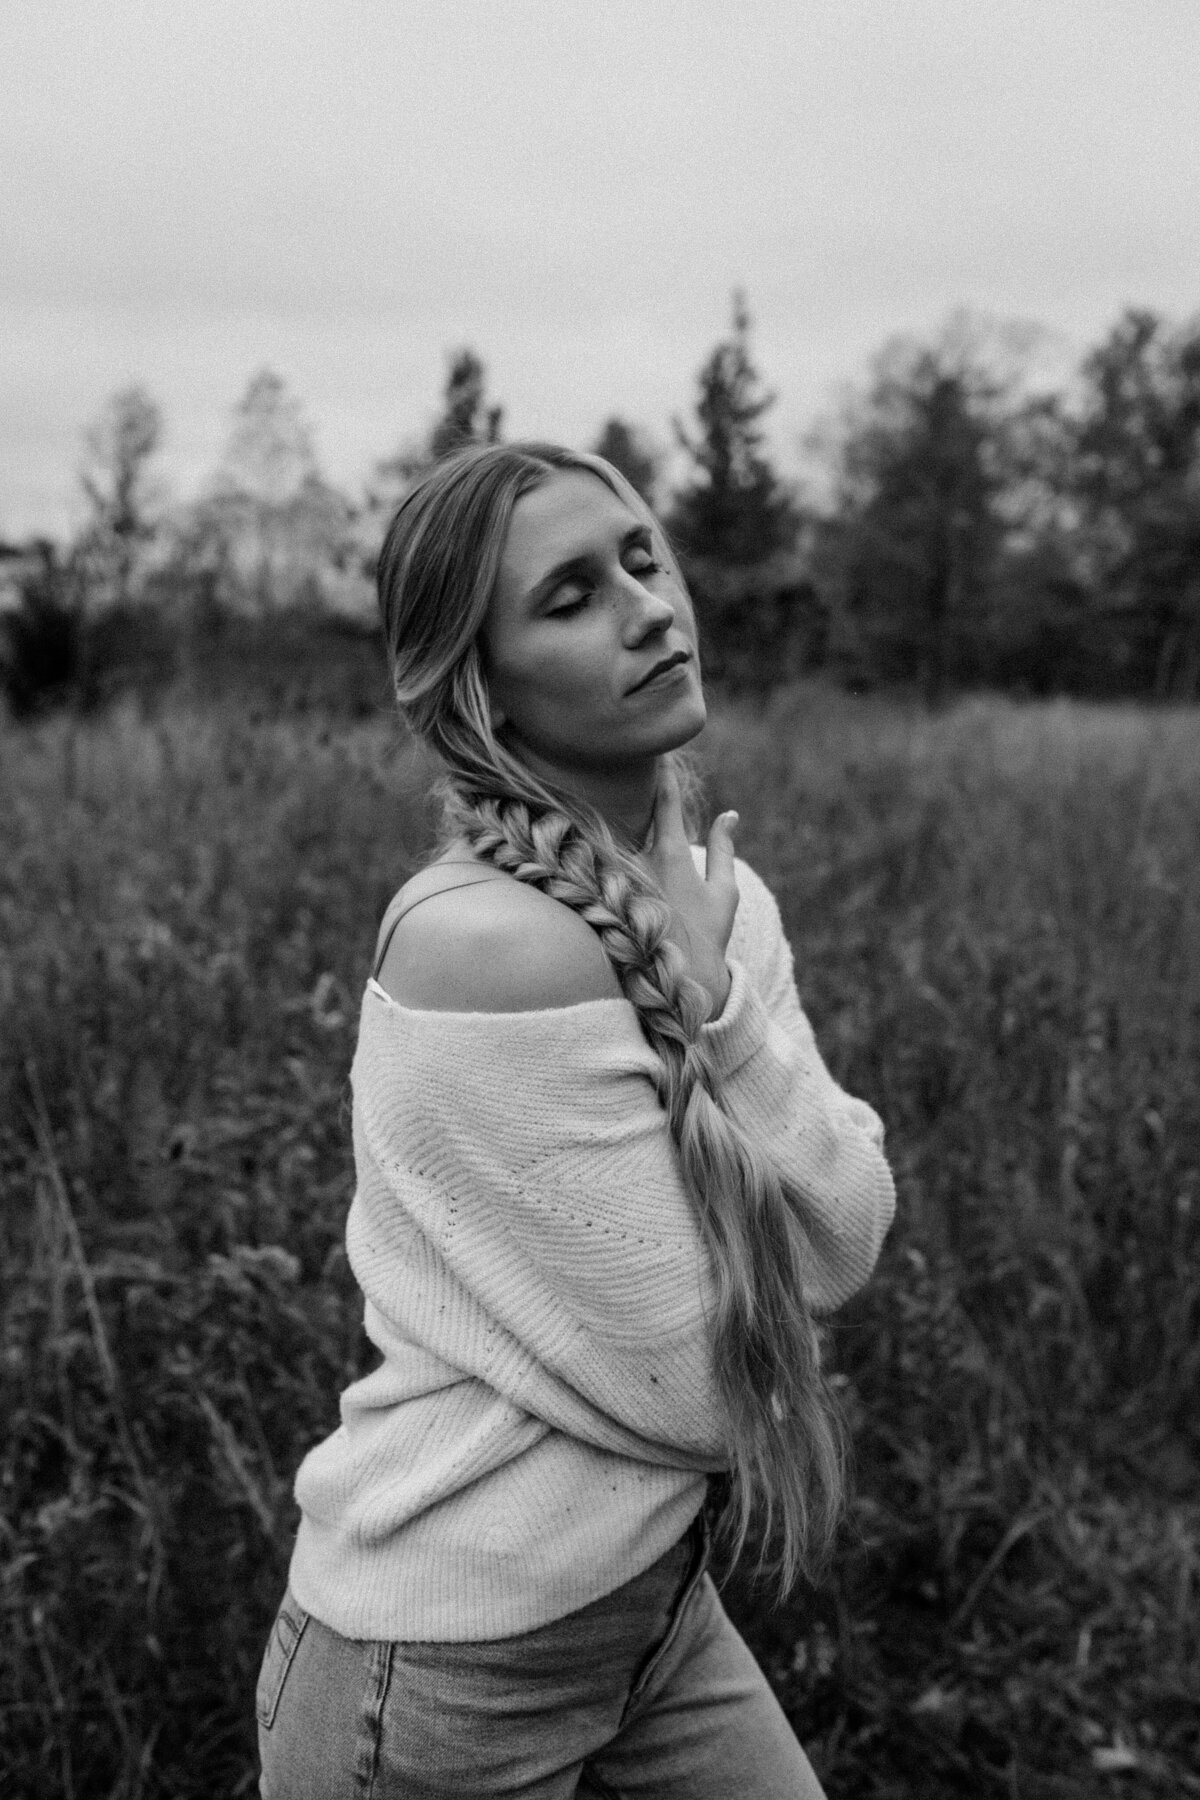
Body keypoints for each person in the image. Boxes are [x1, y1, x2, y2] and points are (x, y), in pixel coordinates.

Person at [256, 443, 896, 1799]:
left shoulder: (722, 896)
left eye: (642, 558)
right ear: (481, 692)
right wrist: (721, 1034)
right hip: (440, 1676)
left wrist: (719, 1006)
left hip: (649, 1617)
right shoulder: (479, 948)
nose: (649, 608)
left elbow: (844, 1239)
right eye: (569, 597)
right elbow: (702, 1389)